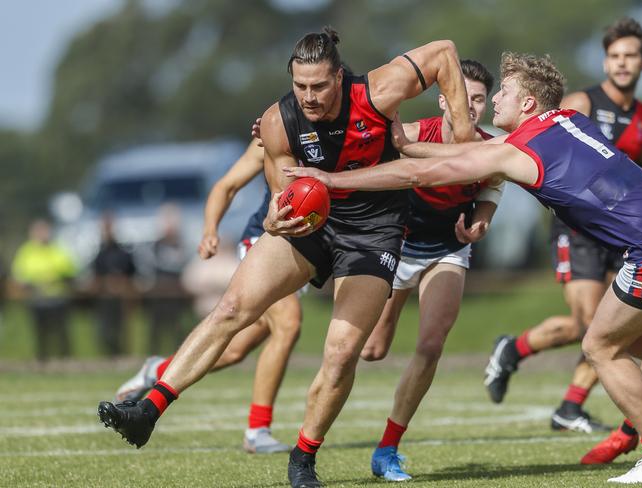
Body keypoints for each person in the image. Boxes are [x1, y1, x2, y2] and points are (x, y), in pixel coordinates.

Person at [98, 27, 473, 488]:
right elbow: (282, 194)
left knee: (341, 354)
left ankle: (303, 459)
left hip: (373, 233)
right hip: (311, 223)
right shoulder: (278, 121)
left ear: (339, 76)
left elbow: (443, 53)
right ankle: (148, 409)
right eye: (300, 86)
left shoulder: (378, 90)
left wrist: (463, 130)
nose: (309, 97)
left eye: (318, 85)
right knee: (233, 309)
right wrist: (277, 219)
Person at [285, 50, 642, 485]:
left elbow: (424, 175)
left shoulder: (519, 152)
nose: (496, 102)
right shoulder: (568, 120)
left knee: (600, 347)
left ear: (529, 104)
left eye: (506, 92)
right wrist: (406, 145)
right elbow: (479, 148)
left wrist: (332, 179)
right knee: (639, 346)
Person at [483, 17, 642, 447]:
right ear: (606, 61)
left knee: (621, 327)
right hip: (578, 231)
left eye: (631, 56)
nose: (623, 64)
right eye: (615, 56)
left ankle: (579, 407)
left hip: (625, 230)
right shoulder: (582, 102)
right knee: (591, 324)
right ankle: (518, 351)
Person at [359, 59, 503, 481]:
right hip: (398, 247)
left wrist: (480, 224)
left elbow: (489, 200)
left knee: (430, 346)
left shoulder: (491, 150)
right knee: (371, 349)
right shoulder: (413, 134)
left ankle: (387, 449)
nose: (469, 106)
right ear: (444, 99)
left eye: (477, 99)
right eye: (462, 96)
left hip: (447, 251)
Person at [113, 139, 302, 454]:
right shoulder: (278, 130)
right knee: (289, 323)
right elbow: (226, 186)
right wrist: (210, 229)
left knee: (232, 350)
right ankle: (258, 430)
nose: (311, 97)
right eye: (303, 88)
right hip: (267, 241)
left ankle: (157, 370)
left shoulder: (343, 128)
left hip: (307, 250)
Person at [11, 219, 77, 361]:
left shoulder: (58, 249)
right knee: (41, 335)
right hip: (37, 299)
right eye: (39, 231)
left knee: (61, 334)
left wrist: (55, 279)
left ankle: (65, 362)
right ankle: (42, 363)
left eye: (45, 231)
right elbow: (19, 276)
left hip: (57, 299)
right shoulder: (26, 251)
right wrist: (34, 284)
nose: (43, 234)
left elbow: (70, 272)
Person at [142, 204, 192, 354]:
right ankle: (152, 355)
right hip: (159, 293)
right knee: (155, 329)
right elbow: (152, 266)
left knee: (176, 328)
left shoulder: (181, 245)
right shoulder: (155, 246)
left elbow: (182, 265)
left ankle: (178, 356)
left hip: (175, 293)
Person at [91, 212, 137, 357]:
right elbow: (96, 276)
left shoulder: (123, 253)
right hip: (105, 299)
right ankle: (107, 356)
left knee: (122, 330)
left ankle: (122, 355)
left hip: (122, 298)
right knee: (105, 331)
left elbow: (132, 273)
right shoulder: (99, 254)